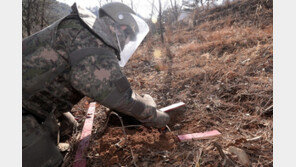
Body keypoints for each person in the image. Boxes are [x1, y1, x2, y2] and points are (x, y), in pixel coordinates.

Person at [22, 2, 171, 167]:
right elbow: (118, 95)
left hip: (30, 101)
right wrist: (154, 115)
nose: (127, 43)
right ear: (121, 28)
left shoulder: (86, 31)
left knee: (69, 127)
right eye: (129, 38)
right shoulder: (90, 41)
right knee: (50, 163)